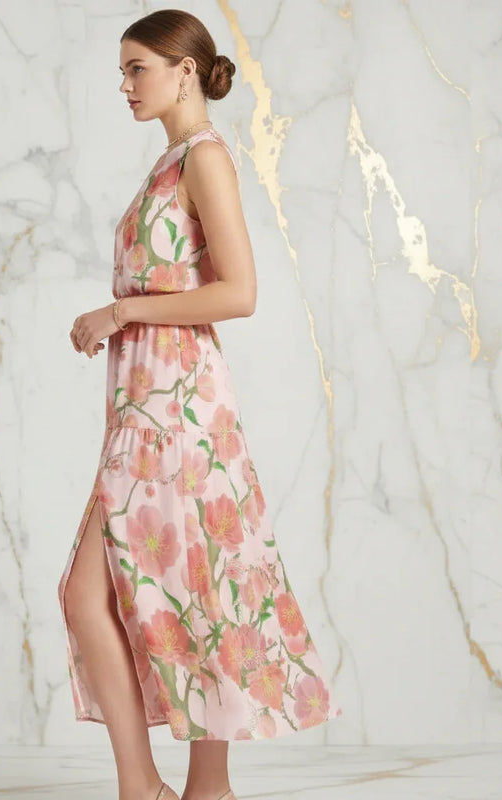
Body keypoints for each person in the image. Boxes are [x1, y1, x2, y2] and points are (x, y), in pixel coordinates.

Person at [58, 9, 342, 800]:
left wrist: (119, 312)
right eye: (122, 71)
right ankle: (198, 791)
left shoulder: (205, 160)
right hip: (151, 402)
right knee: (191, 585)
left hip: (179, 407)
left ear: (186, 70)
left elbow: (239, 292)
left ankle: (142, 790)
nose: (125, 85)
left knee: (118, 590)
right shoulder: (170, 164)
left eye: (137, 68)